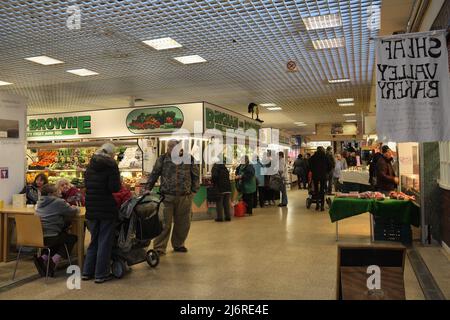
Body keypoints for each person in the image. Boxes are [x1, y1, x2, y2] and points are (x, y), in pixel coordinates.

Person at [145, 140, 200, 255]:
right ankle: (159, 247)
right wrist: (147, 188)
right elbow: (154, 173)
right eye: (169, 147)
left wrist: (194, 191)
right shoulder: (162, 159)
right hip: (166, 197)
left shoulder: (188, 158)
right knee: (164, 223)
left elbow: (195, 175)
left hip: (184, 197)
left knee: (183, 223)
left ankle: (179, 244)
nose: (169, 149)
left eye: (172, 147)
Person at [82, 142, 121, 284]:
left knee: (94, 240)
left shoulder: (91, 164)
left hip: (91, 207)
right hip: (106, 208)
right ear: (111, 154)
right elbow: (114, 188)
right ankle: (101, 274)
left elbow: (87, 185)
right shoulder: (111, 165)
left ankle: (87, 272)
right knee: (105, 241)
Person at [34, 184, 79, 277]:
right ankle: (53, 261)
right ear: (51, 194)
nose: (59, 192)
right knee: (72, 238)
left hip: (39, 236)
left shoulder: (39, 202)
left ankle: (43, 258)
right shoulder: (58, 202)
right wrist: (76, 208)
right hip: (52, 235)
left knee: (60, 239)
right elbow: (72, 212)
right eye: (56, 191)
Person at [309, 147, 332, 211]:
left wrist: (313, 171)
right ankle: (322, 206)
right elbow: (330, 166)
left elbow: (309, 166)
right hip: (323, 176)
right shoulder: (325, 157)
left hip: (315, 176)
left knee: (316, 190)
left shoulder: (313, 157)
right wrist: (326, 171)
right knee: (322, 190)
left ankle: (317, 205)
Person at [211, 155, 231, 222]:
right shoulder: (224, 167)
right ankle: (228, 217)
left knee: (219, 203)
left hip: (220, 187)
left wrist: (213, 182)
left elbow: (214, 176)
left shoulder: (215, 167)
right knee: (226, 203)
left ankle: (220, 217)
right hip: (227, 188)